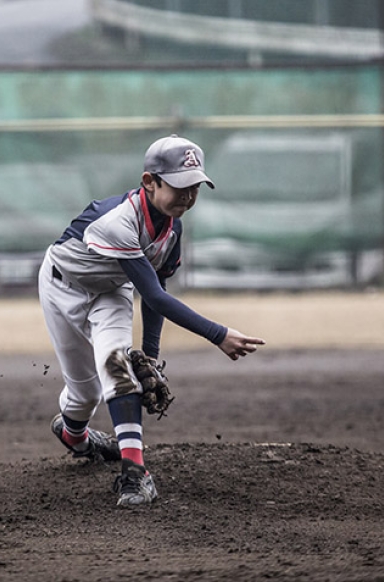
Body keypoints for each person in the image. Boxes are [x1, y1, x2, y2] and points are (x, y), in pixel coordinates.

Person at [39, 134, 266, 507]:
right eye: (179, 186)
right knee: (85, 396)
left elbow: (155, 284)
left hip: (111, 291)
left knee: (119, 371)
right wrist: (219, 335)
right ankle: (74, 435)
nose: (188, 196)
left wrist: (150, 354)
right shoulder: (118, 222)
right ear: (149, 182)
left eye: (194, 187)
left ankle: (135, 474)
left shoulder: (172, 229)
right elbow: (158, 296)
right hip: (60, 287)